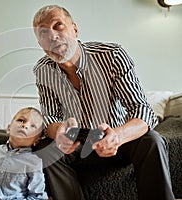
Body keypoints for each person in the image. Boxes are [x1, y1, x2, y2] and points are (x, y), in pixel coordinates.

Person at [32, 4, 175, 200]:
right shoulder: (42, 69)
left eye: (58, 26)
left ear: (74, 29)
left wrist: (117, 136)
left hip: (116, 135)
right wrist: (59, 131)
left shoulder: (112, 55)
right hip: (77, 139)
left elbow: (142, 110)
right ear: (41, 44)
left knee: (152, 140)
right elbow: (50, 116)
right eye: (43, 33)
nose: (52, 36)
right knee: (43, 150)